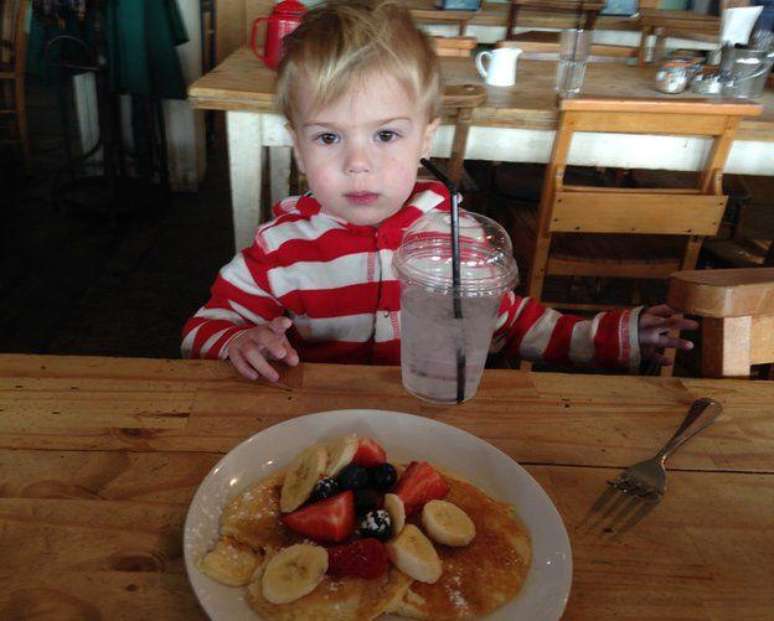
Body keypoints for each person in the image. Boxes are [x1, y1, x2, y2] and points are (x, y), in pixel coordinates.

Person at [181, 0, 697, 383]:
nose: (358, 163)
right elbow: (201, 329)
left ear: (426, 137)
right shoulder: (279, 248)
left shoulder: (456, 238)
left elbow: (512, 324)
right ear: (297, 146)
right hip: (313, 431)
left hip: (432, 429)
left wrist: (614, 337)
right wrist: (238, 340)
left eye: (386, 134)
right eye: (328, 136)